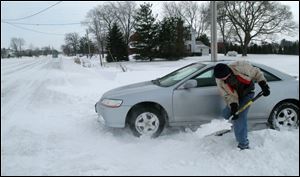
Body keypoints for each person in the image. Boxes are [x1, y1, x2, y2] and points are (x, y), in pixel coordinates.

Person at [213, 60, 270, 150]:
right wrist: (234, 106)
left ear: (228, 72)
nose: (223, 79)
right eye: (221, 78)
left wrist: (263, 85)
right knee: (226, 114)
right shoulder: (219, 80)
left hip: (247, 94)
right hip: (234, 96)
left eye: (224, 77)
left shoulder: (240, 67)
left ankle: (243, 144)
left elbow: (257, 73)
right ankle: (226, 128)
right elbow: (227, 95)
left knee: (240, 117)